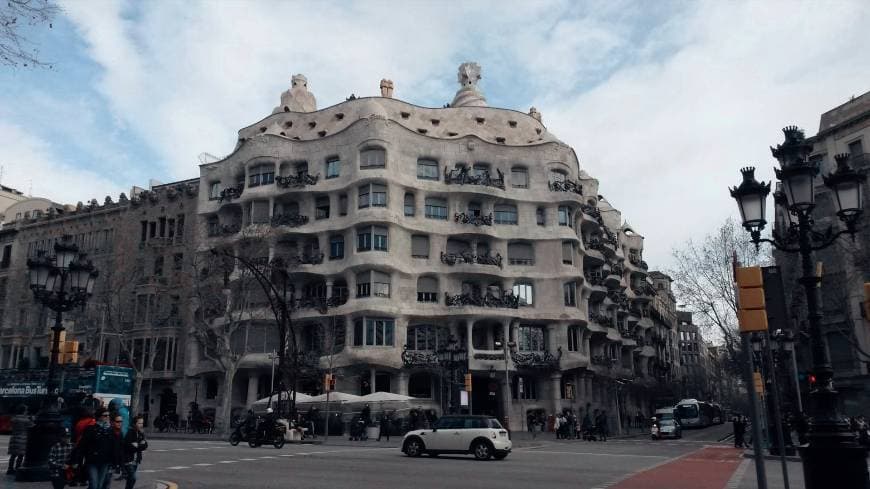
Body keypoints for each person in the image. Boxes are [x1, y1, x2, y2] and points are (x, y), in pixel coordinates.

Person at [73, 407, 122, 489]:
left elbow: (114, 447)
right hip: (92, 461)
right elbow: (82, 445)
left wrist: (116, 463)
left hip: (105, 462)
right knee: (94, 484)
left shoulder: (110, 430)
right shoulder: (91, 429)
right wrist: (75, 460)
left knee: (99, 485)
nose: (107, 417)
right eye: (105, 415)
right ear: (99, 417)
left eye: (108, 415)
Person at [121, 416, 147, 489]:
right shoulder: (130, 432)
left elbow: (145, 445)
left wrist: (138, 445)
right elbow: (129, 446)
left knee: (130, 479)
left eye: (142, 423)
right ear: (135, 423)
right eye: (139, 423)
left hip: (136, 459)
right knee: (133, 478)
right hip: (128, 459)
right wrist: (140, 445)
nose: (141, 425)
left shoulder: (140, 432)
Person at [7, 405, 33, 475]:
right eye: (26, 410)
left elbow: (11, 425)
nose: (27, 411)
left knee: (13, 455)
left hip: (14, 438)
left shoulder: (14, 418)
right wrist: (32, 419)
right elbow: (32, 426)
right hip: (22, 438)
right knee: (21, 455)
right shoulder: (26, 420)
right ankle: (17, 468)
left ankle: (10, 469)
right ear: (24, 411)